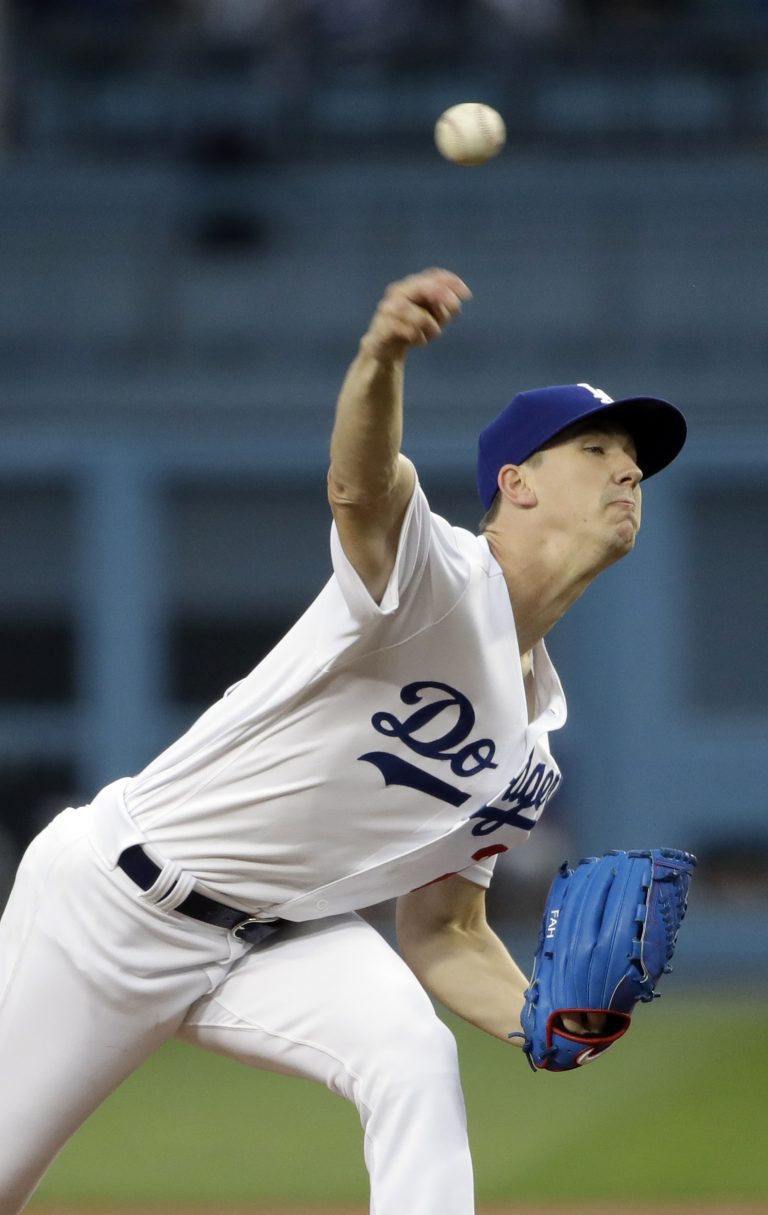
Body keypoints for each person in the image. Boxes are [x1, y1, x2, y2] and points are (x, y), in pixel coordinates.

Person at [0, 268, 687, 1215]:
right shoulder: (436, 573)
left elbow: (442, 933)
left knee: (410, 1056)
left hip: (276, 942)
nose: (629, 471)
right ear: (516, 484)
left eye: (637, 459)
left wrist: (547, 1019)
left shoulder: (534, 751)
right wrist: (380, 359)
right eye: (601, 447)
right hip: (112, 906)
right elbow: (362, 487)